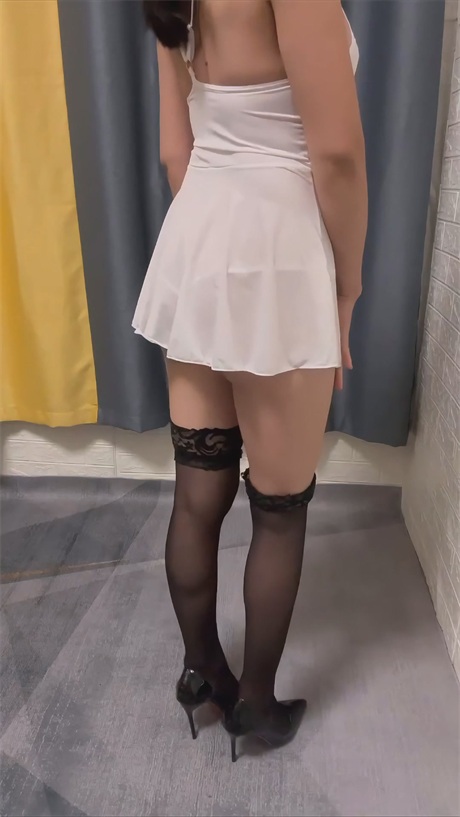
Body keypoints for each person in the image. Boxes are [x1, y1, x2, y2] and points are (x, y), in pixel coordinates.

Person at [133, 0, 367, 761]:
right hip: (279, 247)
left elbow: (176, 152)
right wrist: (347, 288)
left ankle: (203, 669)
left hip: (198, 235)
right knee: (279, 507)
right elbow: (336, 155)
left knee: (197, 492)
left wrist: (211, 253)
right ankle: (257, 707)